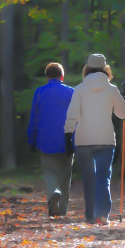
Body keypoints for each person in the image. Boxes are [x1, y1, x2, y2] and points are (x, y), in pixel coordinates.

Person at [64, 54, 125, 225]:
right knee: (103, 177)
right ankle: (101, 214)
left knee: (88, 178)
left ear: (87, 68)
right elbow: (122, 114)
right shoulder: (112, 89)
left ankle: (89, 215)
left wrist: (68, 133)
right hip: (106, 139)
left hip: (83, 139)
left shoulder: (79, 89)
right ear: (105, 69)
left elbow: (72, 114)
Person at [27, 63, 75, 217]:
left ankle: (53, 193)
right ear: (62, 76)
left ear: (47, 77)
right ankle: (62, 211)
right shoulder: (71, 92)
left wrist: (31, 140)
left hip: (45, 141)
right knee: (66, 176)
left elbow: (34, 118)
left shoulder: (40, 92)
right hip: (67, 140)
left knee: (49, 172)